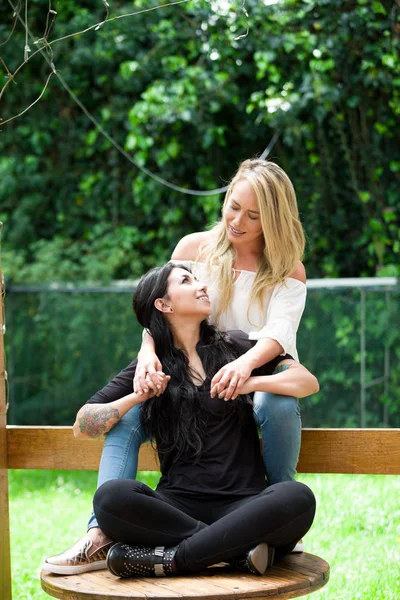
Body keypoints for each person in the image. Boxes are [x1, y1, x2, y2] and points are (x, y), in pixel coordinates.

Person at [44, 158, 309, 573]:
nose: (237, 220)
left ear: (273, 219)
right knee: (125, 433)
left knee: (278, 422)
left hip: (243, 381)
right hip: (181, 407)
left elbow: (279, 341)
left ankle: (249, 520)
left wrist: (244, 374)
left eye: (254, 215)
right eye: (233, 205)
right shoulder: (192, 250)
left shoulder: (284, 274)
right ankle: (104, 534)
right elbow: (160, 309)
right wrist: (147, 353)